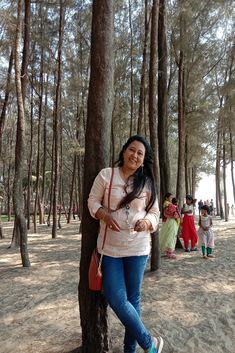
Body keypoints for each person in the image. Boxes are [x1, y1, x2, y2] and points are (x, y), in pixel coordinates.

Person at [88, 135, 164, 353]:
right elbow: (92, 201)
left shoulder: (146, 183)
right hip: (110, 250)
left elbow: (155, 213)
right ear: (123, 151)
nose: (135, 155)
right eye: (132, 150)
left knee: (133, 299)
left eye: (140, 153)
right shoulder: (106, 175)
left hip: (138, 249)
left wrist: (147, 222)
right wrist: (103, 213)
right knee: (116, 298)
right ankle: (150, 343)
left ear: (143, 159)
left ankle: (130, 350)